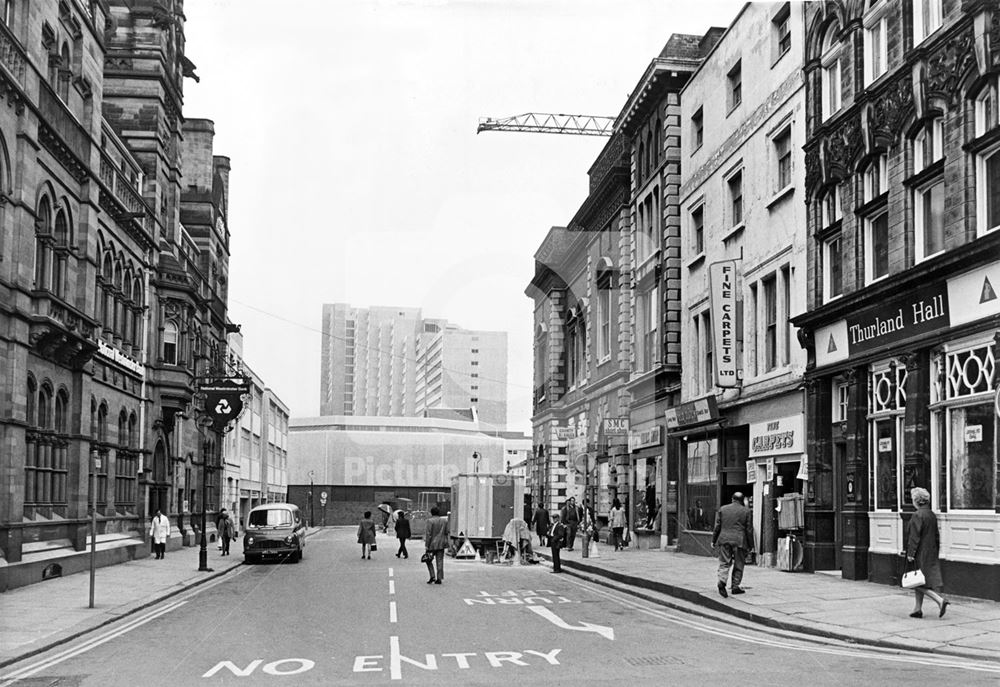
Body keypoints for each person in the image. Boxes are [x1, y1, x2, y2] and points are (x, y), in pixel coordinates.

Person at [906, 487, 949, 618]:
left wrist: (910, 553)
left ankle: (939, 601)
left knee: (915, 581)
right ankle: (917, 609)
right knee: (919, 580)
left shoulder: (917, 515)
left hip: (920, 552)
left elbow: (914, 537)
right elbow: (936, 535)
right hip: (931, 551)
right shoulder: (931, 514)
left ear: (916, 501)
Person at [712, 492, 752, 598]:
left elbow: (717, 526)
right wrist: (750, 545)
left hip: (724, 539)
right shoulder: (746, 511)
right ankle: (735, 587)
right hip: (740, 541)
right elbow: (749, 530)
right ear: (742, 500)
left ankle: (722, 580)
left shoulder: (723, 509)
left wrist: (713, 540)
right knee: (739, 564)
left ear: (732, 499)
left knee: (724, 562)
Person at [423, 506, 450, 584]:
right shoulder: (444, 521)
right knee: (440, 561)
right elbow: (447, 531)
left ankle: (432, 576)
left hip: (431, 544)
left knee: (428, 560)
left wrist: (427, 545)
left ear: (431, 513)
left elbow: (428, 534)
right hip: (441, 544)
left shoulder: (430, 521)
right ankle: (439, 578)